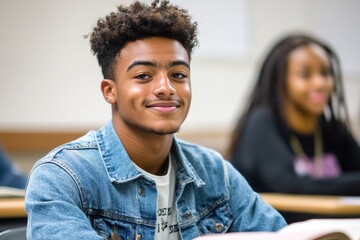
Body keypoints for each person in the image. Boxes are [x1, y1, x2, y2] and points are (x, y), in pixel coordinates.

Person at [25, 1, 286, 239]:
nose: (166, 87)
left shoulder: (215, 173)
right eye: (143, 76)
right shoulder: (62, 177)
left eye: (179, 75)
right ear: (110, 91)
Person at [228, 34, 360, 196]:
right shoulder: (262, 122)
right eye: (305, 75)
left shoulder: (333, 129)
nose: (320, 83)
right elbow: (287, 184)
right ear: (280, 81)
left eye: (325, 73)